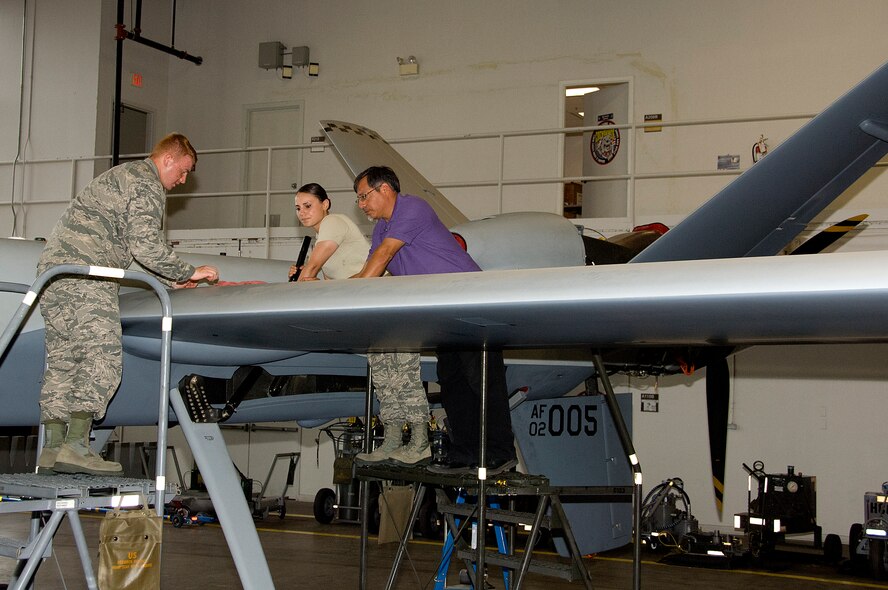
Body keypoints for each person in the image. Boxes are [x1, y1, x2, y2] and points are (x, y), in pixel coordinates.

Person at [36, 132, 219, 476]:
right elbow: (146, 246)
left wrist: (169, 279)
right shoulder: (146, 183)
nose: (182, 181)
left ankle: (52, 448)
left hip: (55, 273)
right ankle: (76, 447)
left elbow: (124, 247)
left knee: (63, 360)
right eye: (183, 171)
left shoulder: (122, 176)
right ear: (168, 159)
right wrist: (189, 271)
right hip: (88, 276)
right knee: (101, 356)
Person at [352, 166, 517, 474]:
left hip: (472, 304)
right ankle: (465, 452)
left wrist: (342, 292)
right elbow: (366, 274)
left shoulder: (412, 207)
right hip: (442, 312)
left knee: (481, 379)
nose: (361, 205)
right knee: (452, 380)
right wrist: (325, 288)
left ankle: (500, 452)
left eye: (363, 197)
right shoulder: (382, 228)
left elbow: (383, 258)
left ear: (384, 189)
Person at [291, 183, 430, 466]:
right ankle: (392, 440)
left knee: (404, 374)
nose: (302, 213)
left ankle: (420, 441)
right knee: (384, 378)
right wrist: (306, 277)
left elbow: (313, 268)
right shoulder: (324, 238)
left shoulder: (333, 223)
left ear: (325, 204)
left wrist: (303, 277)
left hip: (388, 305)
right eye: (298, 208)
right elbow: (330, 284)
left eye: (308, 205)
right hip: (370, 312)